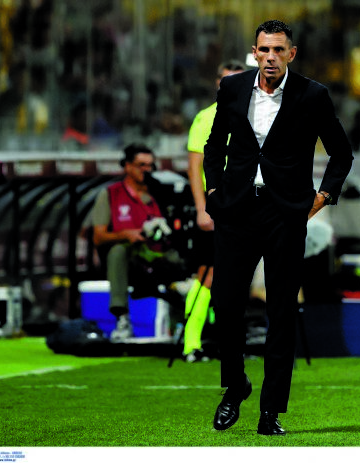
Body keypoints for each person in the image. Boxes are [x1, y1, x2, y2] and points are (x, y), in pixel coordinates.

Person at [203, 19, 353, 436]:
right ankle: (236, 385)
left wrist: (321, 198)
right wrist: (214, 191)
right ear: (255, 52)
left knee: (281, 311)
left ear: (292, 53)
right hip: (236, 210)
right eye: (264, 50)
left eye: (278, 50)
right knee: (225, 303)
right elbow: (215, 145)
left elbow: (341, 153)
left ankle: (270, 410)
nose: (270, 57)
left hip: (285, 214)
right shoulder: (232, 88)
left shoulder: (313, 94)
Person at [184, 59, 246, 363]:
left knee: (236, 278)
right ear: (218, 83)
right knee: (208, 276)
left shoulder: (255, 116)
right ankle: (191, 343)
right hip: (217, 207)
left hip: (245, 208)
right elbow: (194, 168)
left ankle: (228, 345)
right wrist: (202, 209)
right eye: (226, 80)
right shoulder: (206, 118)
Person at [90, 143, 170, 340]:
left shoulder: (160, 192)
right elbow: (98, 236)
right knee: (117, 251)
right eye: (141, 165)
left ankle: (187, 322)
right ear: (127, 166)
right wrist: (126, 234)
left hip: (159, 254)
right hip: (132, 258)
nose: (147, 170)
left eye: (150, 165)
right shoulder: (110, 194)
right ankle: (122, 318)